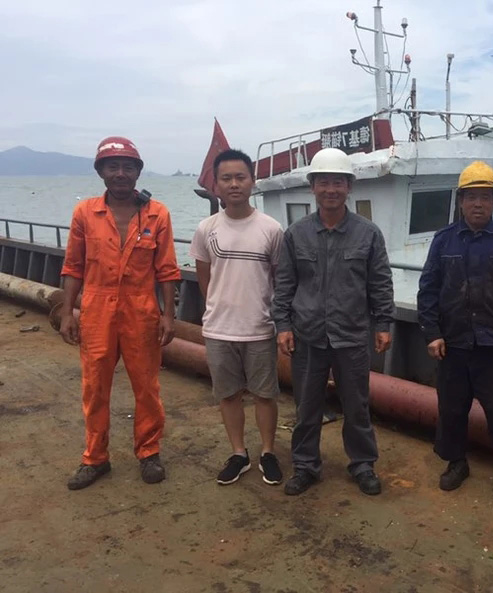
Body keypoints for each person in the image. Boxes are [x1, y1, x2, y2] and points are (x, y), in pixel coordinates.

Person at [272, 147, 395, 496]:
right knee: (306, 407)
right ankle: (305, 466)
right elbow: (284, 284)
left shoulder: (368, 234)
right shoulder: (296, 234)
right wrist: (283, 325)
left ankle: (362, 464)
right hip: (307, 336)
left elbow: (380, 282)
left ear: (349, 187)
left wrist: (383, 324)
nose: (331, 189)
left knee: (357, 406)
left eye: (338, 182)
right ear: (312, 186)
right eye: (323, 182)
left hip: (352, 336)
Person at [60, 136, 180, 490]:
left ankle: (149, 452)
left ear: (138, 172)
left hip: (141, 310)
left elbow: (167, 271)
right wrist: (67, 313)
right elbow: (73, 267)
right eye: (113, 166)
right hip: (96, 309)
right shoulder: (85, 213)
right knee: (95, 387)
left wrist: (168, 316)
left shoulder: (157, 213)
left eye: (128, 167)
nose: (121, 173)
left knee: (147, 386)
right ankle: (95, 458)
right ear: (101, 172)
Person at [417, 161, 493, 504]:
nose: (478, 204)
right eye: (471, 197)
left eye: (485, 197)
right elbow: (428, 289)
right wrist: (432, 333)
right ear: (461, 201)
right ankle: (456, 463)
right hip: (453, 344)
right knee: (451, 410)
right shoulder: (443, 240)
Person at [189, 149, 284, 486]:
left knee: (265, 394)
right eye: (226, 178)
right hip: (219, 329)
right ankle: (239, 453)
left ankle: (268, 452)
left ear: (252, 182)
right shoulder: (207, 229)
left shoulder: (271, 229)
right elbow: (204, 278)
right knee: (228, 395)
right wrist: (220, 307)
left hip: (259, 328)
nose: (234, 184)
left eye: (240, 177)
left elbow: (278, 279)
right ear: (216, 184)